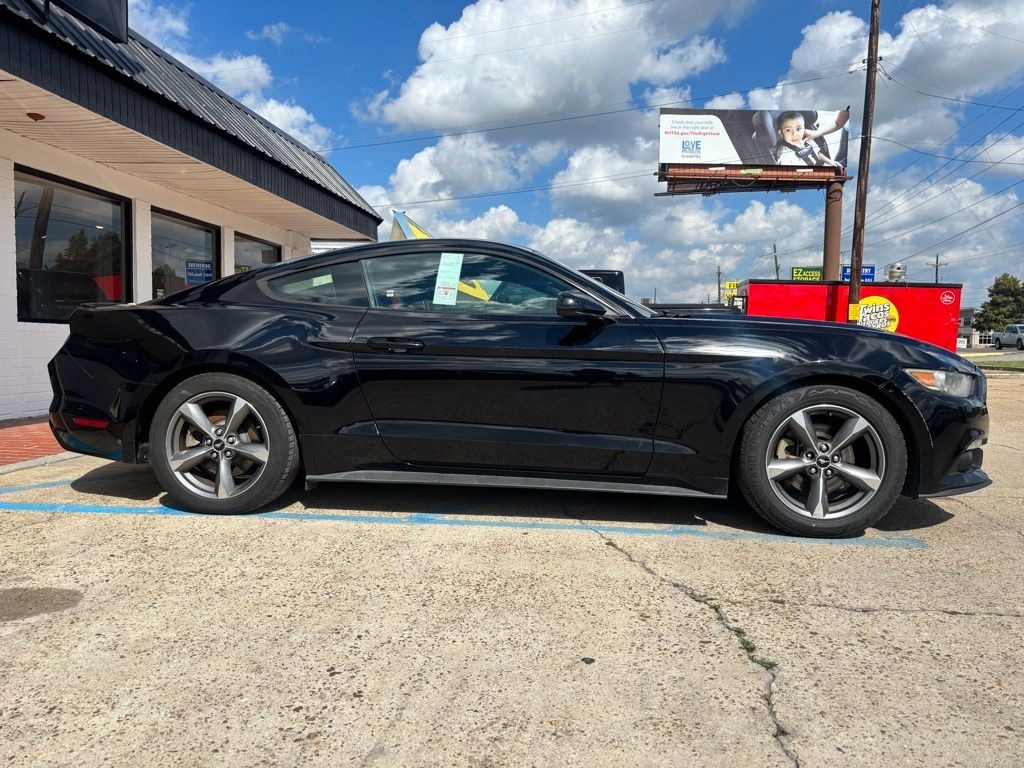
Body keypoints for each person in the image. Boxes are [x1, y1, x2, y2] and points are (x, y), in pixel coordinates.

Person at [774, 111, 847, 168]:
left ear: (804, 128)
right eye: (788, 130)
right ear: (781, 132)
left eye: (798, 129)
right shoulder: (784, 154)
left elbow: (817, 153)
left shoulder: (808, 140)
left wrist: (829, 161)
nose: (795, 134)